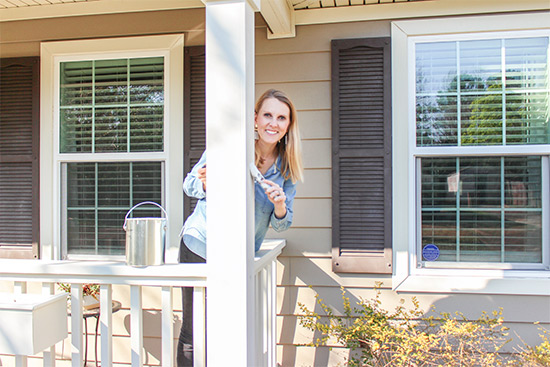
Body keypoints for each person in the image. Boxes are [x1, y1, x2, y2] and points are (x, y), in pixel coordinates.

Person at [177, 89, 303, 366]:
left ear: (288, 125)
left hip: (238, 256)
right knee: (194, 330)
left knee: (230, 327)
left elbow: (283, 225)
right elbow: (189, 186)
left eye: (281, 117)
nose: (273, 123)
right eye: (268, 114)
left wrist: (280, 205)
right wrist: (206, 183)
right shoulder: (229, 147)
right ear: (255, 118)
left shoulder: (286, 169)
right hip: (201, 244)